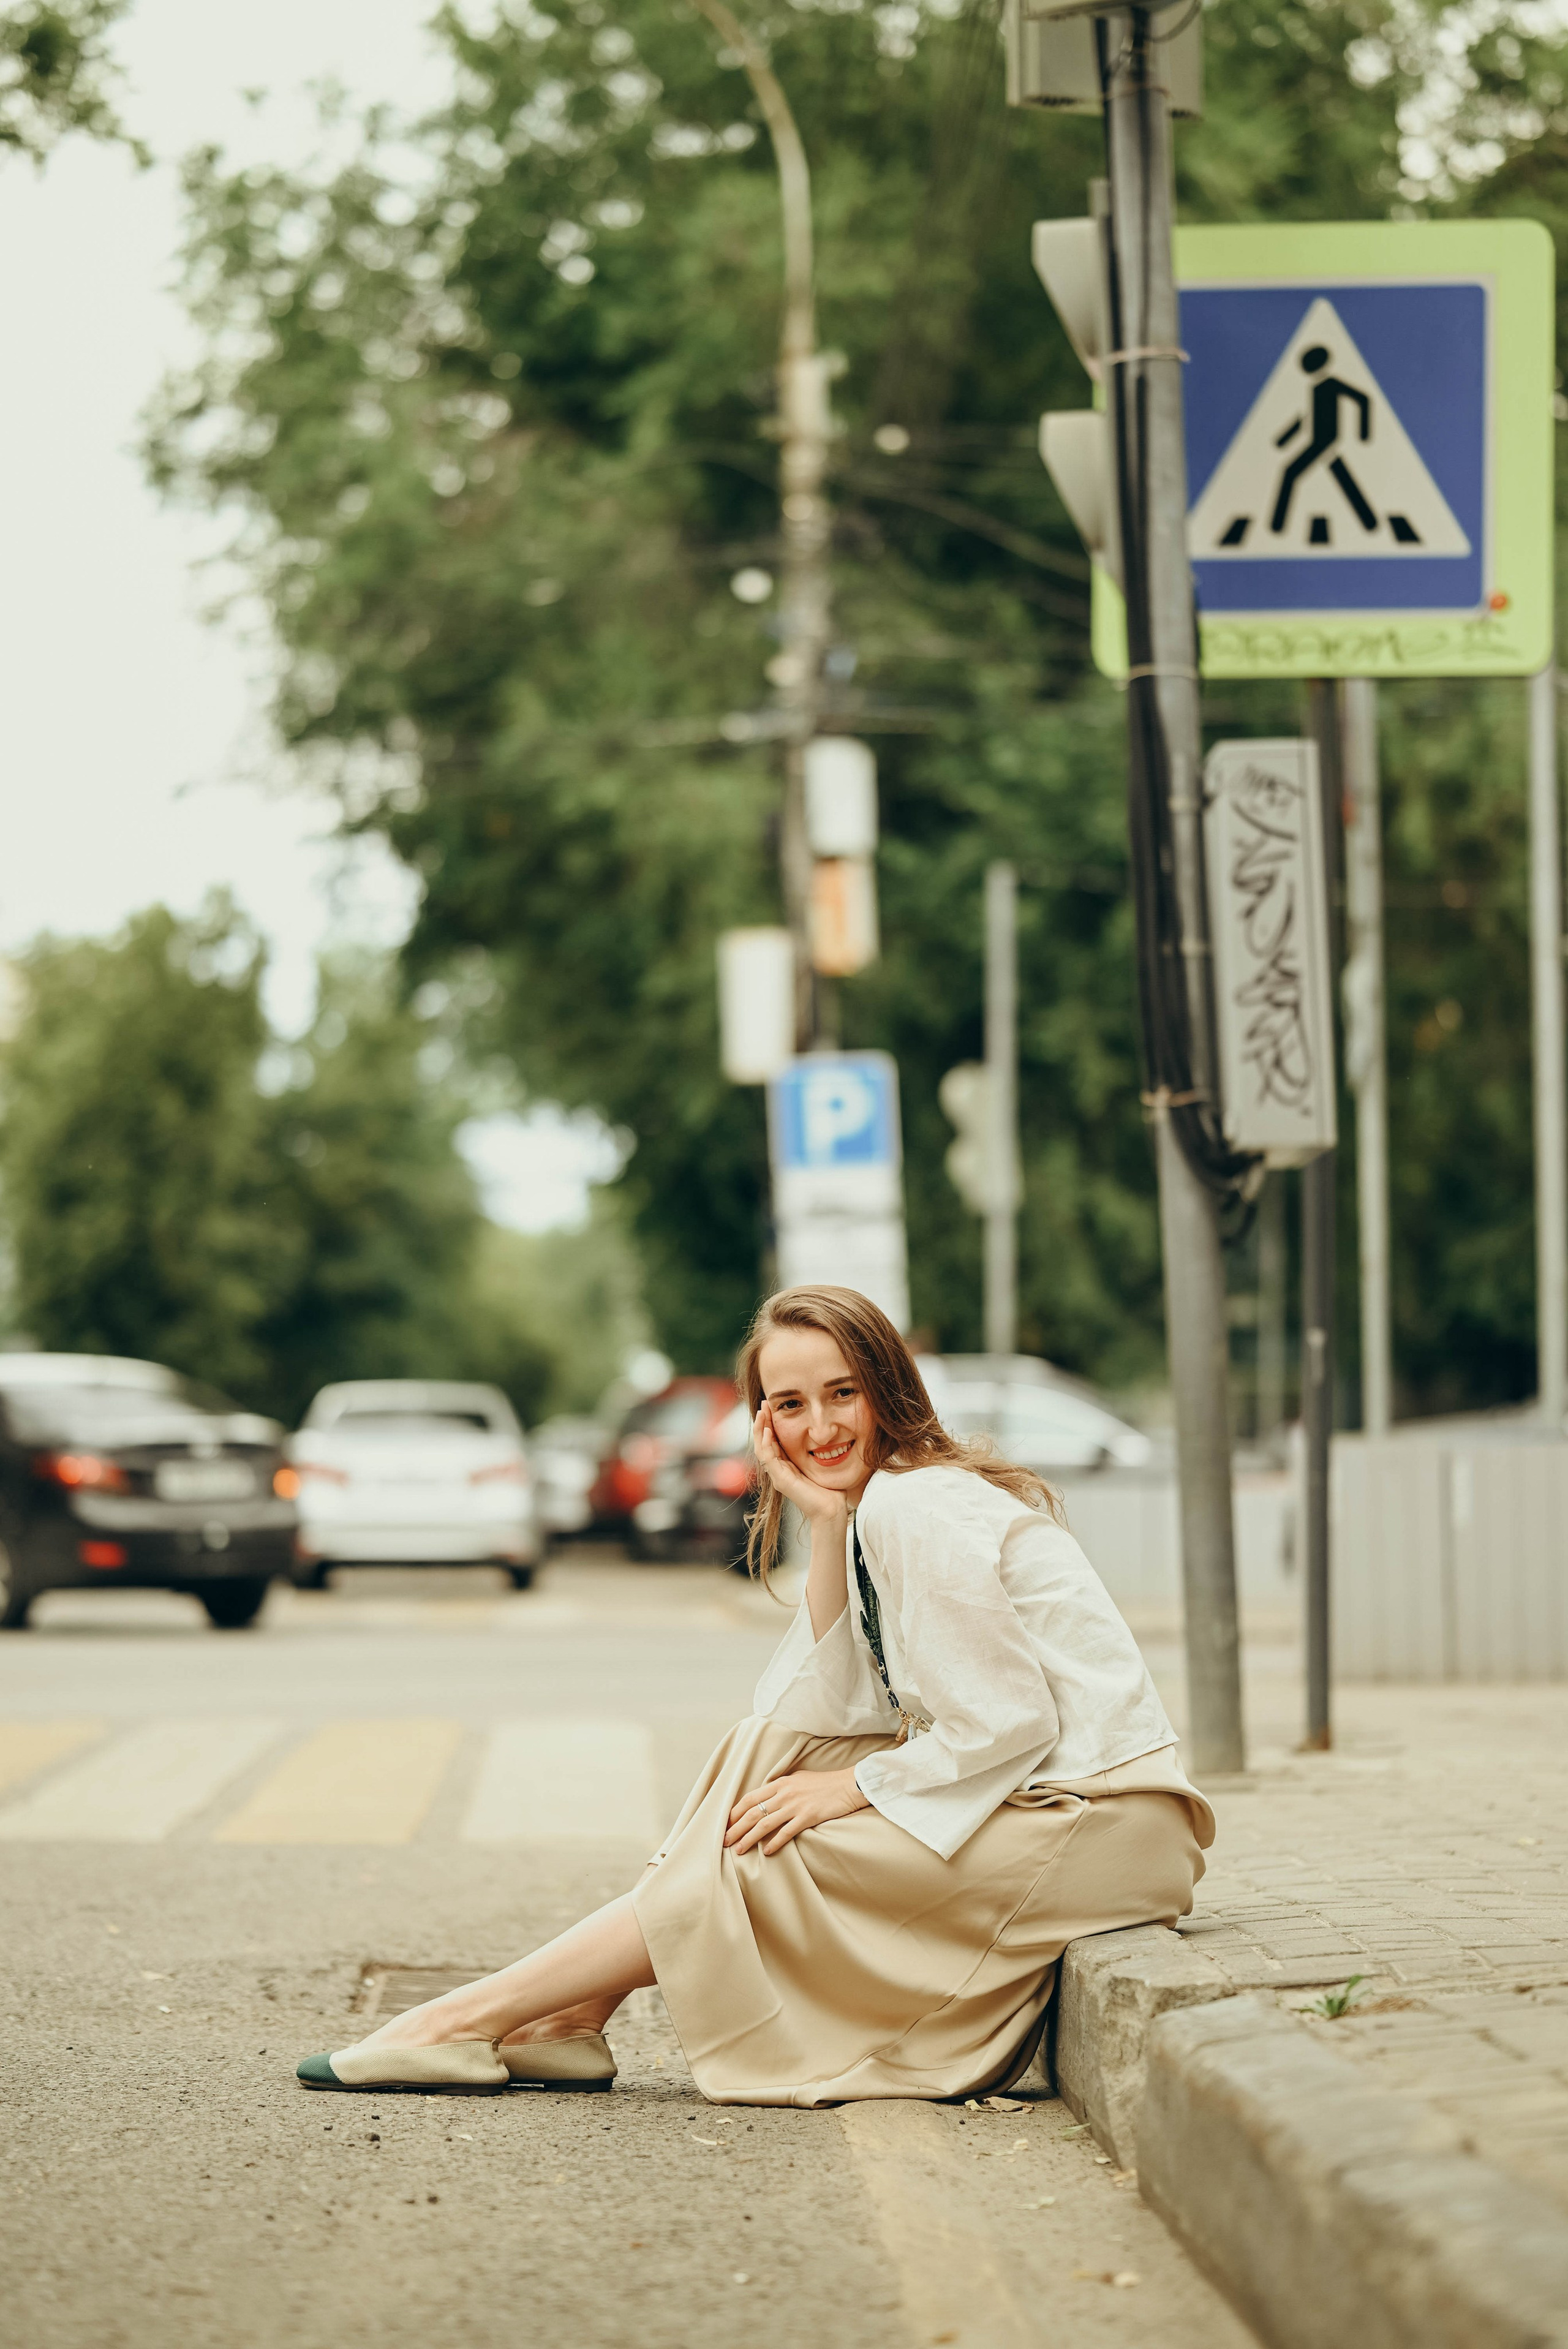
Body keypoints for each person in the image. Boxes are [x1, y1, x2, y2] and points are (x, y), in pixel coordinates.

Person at [297, 1284, 1213, 2105]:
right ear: (763, 1421)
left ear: (888, 1388)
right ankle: (566, 2015)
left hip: (1104, 1825)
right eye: (790, 1404)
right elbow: (835, 1701)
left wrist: (853, 1790)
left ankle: (467, 2018)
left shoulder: (916, 1505)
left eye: (842, 1393)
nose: (821, 1428)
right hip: (1062, 1806)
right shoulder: (879, 1504)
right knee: (770, 1761)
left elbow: (1010, 1721)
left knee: (760, 1851)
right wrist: (820, 1523)